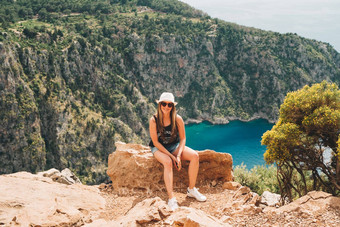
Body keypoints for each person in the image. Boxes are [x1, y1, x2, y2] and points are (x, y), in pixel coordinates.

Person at [149, 92, 206, 211]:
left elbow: (183, 138)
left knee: (195, 156)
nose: (166, 107)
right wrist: (172, 156)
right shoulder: (154, 120)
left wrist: (179, 155)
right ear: (159, 105)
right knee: (168, 162)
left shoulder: (177, 118)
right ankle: (171, 198)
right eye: (163, 104)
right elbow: (155, 142)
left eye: (169, 105)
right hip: (159, 148)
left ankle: (191, 189)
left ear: (173, 107)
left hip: (174, 146)